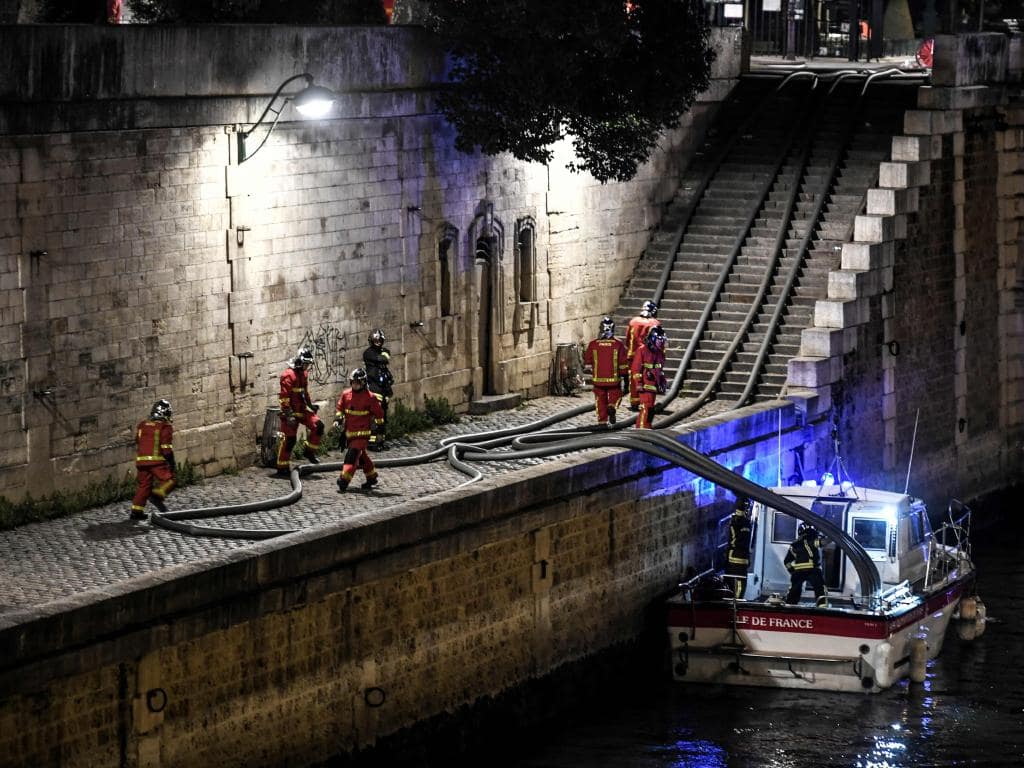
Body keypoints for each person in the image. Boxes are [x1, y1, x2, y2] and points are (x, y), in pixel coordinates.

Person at [334, 368, 385, 492]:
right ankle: (372, 477)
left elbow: (379, 415)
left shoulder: (370, 397)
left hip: (362, 434)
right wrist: (338, 420)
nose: (354, 385)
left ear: (363, 383)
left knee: (352, 456)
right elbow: (340, 408)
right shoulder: (346, 395)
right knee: (362, 456)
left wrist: (379, 432)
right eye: (353, 382)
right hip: (349, 433)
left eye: (357, 382)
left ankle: (344, 480)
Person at [275, 346, 323, 475]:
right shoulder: (288, 375)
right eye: (306, 364)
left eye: (308, 364)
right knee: (289, 440)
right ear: (300, 362)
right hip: (290, 412)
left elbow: (304, 393)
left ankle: (309, 451)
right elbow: (284, 397)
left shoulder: (304, 374)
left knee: (318, 426)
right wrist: (289, 414)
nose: (307, 367)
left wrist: (311, 405)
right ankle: (282, 467)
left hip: (301, 409)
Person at [130, 399, 176, 520]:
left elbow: (138, 441)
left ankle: (136, 511)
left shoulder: (142, 425)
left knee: (144, 486)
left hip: (141, 461)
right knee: (170, 481)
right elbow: (166, 448)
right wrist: (171, 463)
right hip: (156, 462)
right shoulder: (165, 427)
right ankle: (157, 496)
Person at [583, 316, 630, 426]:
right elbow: (623, 364)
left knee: (600, 400)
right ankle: (612, 406)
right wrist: (626, 379)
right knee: (616, 395)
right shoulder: (618, 344)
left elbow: (587, 364)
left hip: (598, 380)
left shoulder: (593, 344)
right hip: (614, 380)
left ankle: (602, 421)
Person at [363, 328, 395, 451]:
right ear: (371, 340)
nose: (378, 342)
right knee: (375, 416)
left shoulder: (384, 351)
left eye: (380, 340)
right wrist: (382, 356)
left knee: (383, 417)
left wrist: (383, 356)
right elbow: (381, 359)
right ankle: (372, 443)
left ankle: (381, 441)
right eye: (375, 340)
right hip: (374, 387)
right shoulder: (368, 353)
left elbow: (386, 357)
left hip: (384, 388)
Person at [625, 300, 660, 410]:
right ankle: (647, 403)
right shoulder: (655, 323)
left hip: (633, 355)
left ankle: (634, 402)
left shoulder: (633, 322)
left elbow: (627, 340)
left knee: (634, 378)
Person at [632, 324, 667, 429]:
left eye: (662, 340)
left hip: (653, 386)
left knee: (650, 409)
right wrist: (638, 383)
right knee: (646, 407)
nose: (661, 342)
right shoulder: (642, 350)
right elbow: (636, 369)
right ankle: (642, 430)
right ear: (653, 338)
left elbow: (659, 370)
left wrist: (662, 382)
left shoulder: (659, 353)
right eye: (659, 340)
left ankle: (645, 427)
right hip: (645, 385)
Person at [784, 524, 828, 607]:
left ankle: (789, 607)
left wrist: (792, 571)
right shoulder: (811, 540)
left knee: (794, 590)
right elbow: (823, 542)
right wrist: (830, 537)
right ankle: (822, 607)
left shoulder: (793, 545)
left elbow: (786, 562)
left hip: (798, 572)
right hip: (813, 570)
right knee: (820, 588)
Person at [725, 497, 753, 599]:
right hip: (742, 558)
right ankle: (738, 602)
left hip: (731, 556)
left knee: (729, 580)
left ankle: (728, 602)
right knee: (741, 582)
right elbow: (746, 542)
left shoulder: (733, 521)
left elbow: (730, 540)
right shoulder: (747, 523)